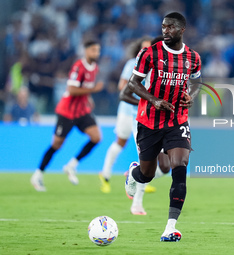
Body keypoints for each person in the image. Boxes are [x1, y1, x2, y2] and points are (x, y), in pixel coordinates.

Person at [124, 12, 202, 242]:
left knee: (179, 167)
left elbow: (197, 82)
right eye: (163, 26)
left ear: (182, 29)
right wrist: (154, 100)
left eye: (170, 27)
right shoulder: (150, 53)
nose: (165, 30)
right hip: (149, 121)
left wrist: (192, 95)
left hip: (178, 120)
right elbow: (132, 83)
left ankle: (170, 227)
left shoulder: (193, 57)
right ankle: (133, 173)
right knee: (146, 175)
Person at [101, 36, 171, 216]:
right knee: (145, 159)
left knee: (165, 167)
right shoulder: (139, 64)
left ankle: (134, 173)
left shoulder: (167, 67)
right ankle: (136, 204)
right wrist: (148, 102)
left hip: (163, 120)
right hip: (141, 120)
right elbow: (124, 92)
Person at [30, 40, 103, 192]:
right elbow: (71, 89)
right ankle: (37, 174)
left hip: (82, 111)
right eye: (93, 50)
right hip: (67, 112)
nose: (96, 53)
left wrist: (88, 99)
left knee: (96, 137)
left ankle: (71, 165)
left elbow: (84, 88)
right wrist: (93, 91)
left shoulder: (95, 68)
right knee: (57, 144)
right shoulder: (78, 67)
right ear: (86, 51)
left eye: (98, 50)